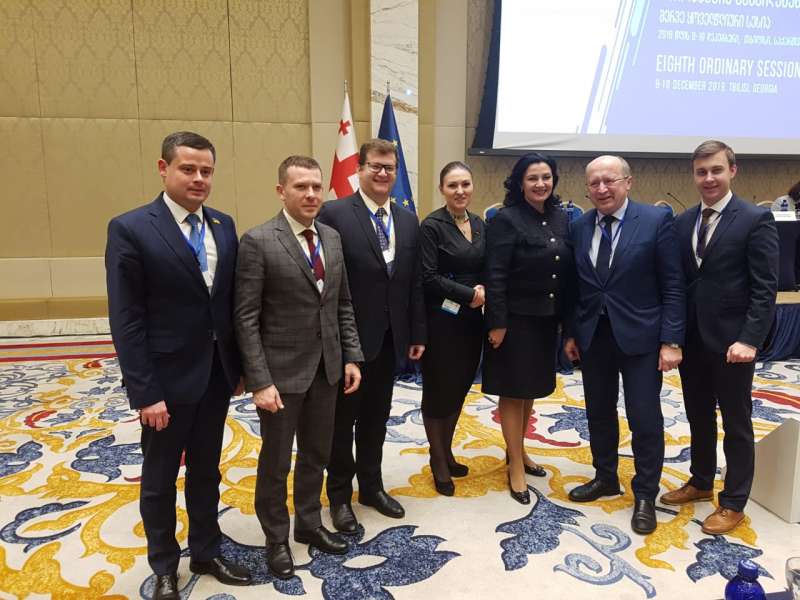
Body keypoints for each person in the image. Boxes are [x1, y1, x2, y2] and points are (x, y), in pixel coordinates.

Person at [105, 132, 250, 600]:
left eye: (206, 170)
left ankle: (206, 550)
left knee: (207, 470)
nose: (199, 178)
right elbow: (126, 318)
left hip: (215, 376)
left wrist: (238, 368)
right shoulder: (131, 228)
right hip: (165, 382)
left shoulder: (223, 226)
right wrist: (145, 392)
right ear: (163, 168)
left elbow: (226, 305)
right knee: (160, 478)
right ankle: (165, 566)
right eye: (188, 169)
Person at [233, 155, 364, 579]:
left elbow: (342, 304)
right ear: (281, 191)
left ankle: (308, 523)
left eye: (316, 186)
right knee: (276, 462)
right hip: (280, 376)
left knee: (316, 454)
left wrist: (351, 356)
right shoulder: (258, 241)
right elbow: (246, 317)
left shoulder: (332, 237)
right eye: (300, 187)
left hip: (327, 370)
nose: (311, 194)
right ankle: (276, 538)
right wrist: (259, 380)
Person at [563, 155, 685, 535]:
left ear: (628, 182)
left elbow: (673, 284)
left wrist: (672, 340)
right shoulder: (579, 226)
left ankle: (645, 493)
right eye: (594, 183)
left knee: (644, 417)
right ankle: (605, 477)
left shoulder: (656, 220)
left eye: (610, 180)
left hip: (642, 337)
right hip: (594, 337)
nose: (602, 188)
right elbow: (575, 287)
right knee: (598, 412)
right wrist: (571, 333)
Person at [661, 140, 778, 535]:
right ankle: (700, 480)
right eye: (701, 172)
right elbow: (680, 284)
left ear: (732, 171)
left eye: (716, 170)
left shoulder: (755, 219)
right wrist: (674, 337)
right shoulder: (682, 222)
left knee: (736, 422)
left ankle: (733, 502)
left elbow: (765, 287)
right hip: (693, 340)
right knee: (697, 415)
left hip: (733, 345)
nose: (708, 178)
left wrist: (750, 339)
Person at [317, 138, 426, 533]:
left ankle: (371, 487)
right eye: (375, 166)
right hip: (349, 341)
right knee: (341, 424)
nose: (382, 173)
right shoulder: (333, 214)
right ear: (359, 169)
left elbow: (412, 282)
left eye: (389, 168)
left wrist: (416, 331)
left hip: (390, 338)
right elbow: (326, 283)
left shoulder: (408, 220)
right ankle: (339, 497)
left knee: (376, 418)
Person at [482, 153, 572, 505]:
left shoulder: (561, 217)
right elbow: (495, 274)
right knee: (513, 390)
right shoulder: (506, 219)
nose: (540, 184)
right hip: (514, 321)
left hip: (545, 320)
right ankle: (515, 465)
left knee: (531, 388)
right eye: (532, 178)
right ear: (520, 183)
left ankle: (518, 450)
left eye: (546, 177)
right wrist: (497, 323)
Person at [418, 161, 486, 496]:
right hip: (441, 322)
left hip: (472, 323)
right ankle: (437, 459)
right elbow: (428, 277)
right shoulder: (432, 226)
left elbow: (488, 265)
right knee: (438, 391)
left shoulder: (479, 223)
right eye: (453, 185)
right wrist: (470, 294)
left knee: (459, 388)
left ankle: (446, 451)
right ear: (442, 190)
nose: (460, 191)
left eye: (465, 184)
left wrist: (484, 289)